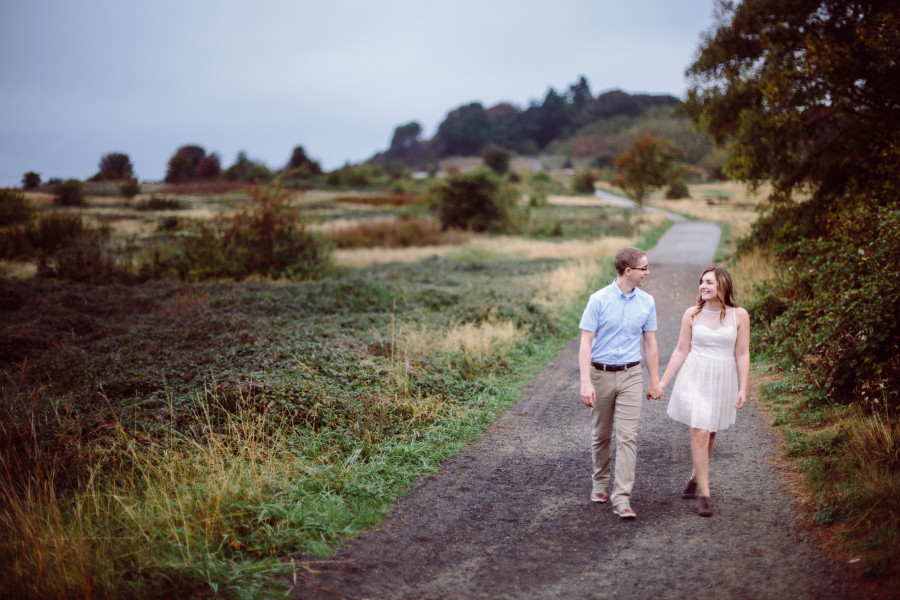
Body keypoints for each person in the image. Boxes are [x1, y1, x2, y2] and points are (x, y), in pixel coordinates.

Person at [656, 266, 750, 517]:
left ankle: (696, 477)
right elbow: (680, 350)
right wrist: (663, 382)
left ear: (722, 285)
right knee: (699, 432)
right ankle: (706, 496)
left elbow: (742, 353)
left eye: (709, 282)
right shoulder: (692, 314)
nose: (703, 286)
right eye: (701, 282)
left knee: (709, 435)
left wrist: (742, 387)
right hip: (695, 376)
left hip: (722, 379)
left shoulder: (739, 315)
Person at [579, 246, 662, 520]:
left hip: (631, 375)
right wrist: (585, 382)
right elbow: (585, 343)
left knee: (628, 437)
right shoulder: (598, 300)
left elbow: (649, 343)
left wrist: (654, 380)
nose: (647, 273)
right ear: (628, 271)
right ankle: (600, 483)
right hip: (600, 375)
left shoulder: (647, 302)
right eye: (644, 268)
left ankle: (622, 498)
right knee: (601, 434)